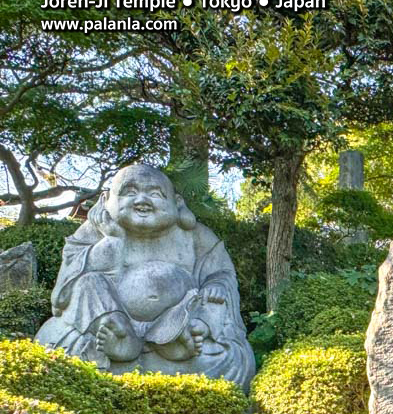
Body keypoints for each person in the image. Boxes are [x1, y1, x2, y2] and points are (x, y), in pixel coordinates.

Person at [35, 164, 256, 390]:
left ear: (177, 202)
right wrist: (112, 240)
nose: (142, 200)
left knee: (229, 351)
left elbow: (223, 275)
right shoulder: (94, 231)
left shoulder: (196, 235)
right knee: (85, 287)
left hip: (178, 316)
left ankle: (179, 338)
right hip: (114, 323)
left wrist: (217, 285)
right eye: (129, 192)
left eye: (154, 194)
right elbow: (61, 298)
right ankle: (122, 338)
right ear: (106, 200)